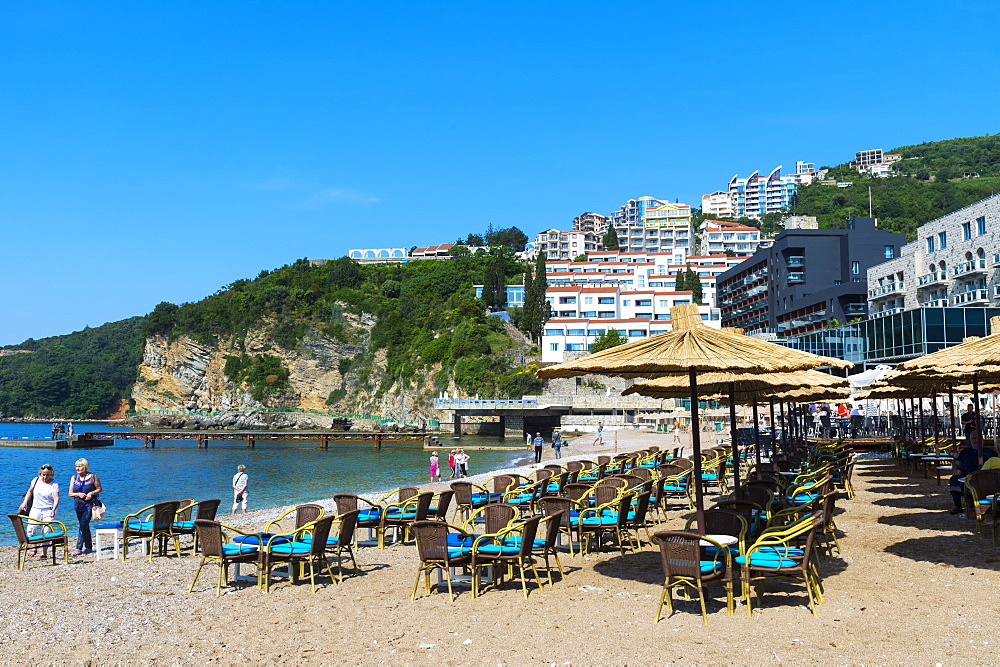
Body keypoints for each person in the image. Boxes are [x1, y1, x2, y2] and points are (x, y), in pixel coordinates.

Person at [19, 464, 60, 559]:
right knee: (30, 529)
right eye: (43, 475)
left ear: (51, 474)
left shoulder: (54, 483)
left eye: (48, 475)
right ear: (40, 474)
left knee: (46, 530)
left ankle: (44, 552)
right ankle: (34, 546)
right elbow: (29, 492)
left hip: (49, 509)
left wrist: (54, 509)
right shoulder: (35, 480)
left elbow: (56, 498)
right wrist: (24, 503)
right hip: (36, 508)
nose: (45, 477)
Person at [948, 441, 999, 514]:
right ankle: (958, 506)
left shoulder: (990, 454)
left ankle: (975, 504)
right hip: (965, 475)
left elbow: (984, 471)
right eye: (973, 438)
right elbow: (956, 463)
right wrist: (956, 470)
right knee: (954, 480)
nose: (975, 440)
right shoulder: (965, 452)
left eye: (977, 438)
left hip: (985, 478)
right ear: (970, 440)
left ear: (982, 439)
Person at [68, 458, 101, 555]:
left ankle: (78, 548)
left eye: (80, 466)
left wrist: (91, 493)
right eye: (76, 466)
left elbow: (99, 489)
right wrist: (78, 494)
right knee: (85, 526)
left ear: (85, 467)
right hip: (78, 505)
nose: (77, 469)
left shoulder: (93, 477)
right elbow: (70, 493)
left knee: (83, 524)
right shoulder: (74, 478)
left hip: (90, 505)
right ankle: (89, 547)